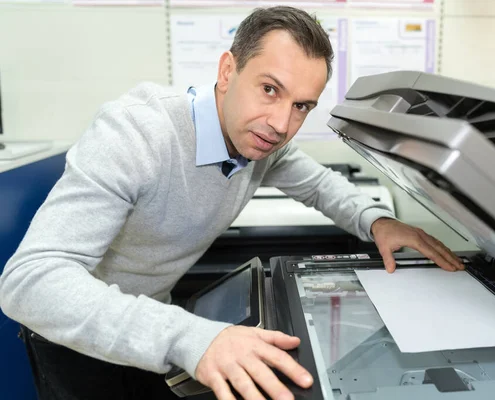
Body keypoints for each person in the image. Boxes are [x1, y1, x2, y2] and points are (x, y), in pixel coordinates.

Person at [0, 6, 464, 400]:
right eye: (270, 89)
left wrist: (378, 221)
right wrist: (193, 337)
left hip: (153, 322)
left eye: (302, 105)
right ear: (227, 71)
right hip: (79, 339)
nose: (281, 123)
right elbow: (30, 282)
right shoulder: (136, 132)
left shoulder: (262, 142)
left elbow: (321, 185)